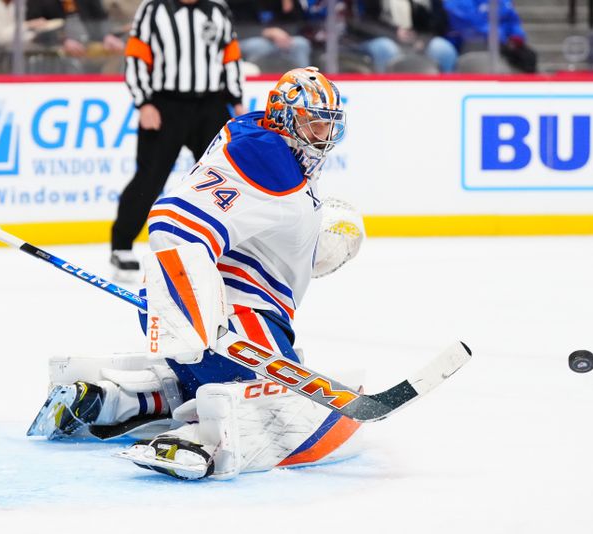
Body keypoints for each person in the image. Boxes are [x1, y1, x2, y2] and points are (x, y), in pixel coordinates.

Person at [28, 67, 367, 481]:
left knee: (205, 381)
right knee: (271, 400)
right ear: (283, 118)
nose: (322, 137)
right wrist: (191, 311)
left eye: (327, 126)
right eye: (313, 123)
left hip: (203, 314)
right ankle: (199, 437)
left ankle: (114, 400)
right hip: (228, 319)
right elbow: (172, 222)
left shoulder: (274, 156)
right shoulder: (267, 160)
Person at [110, 0, 244, 275]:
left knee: (221, 177)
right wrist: (144, 102)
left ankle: (228, 247)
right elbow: (136, 56)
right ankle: (121, 245)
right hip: (164, 105)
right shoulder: (153, 8)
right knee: (150, 177)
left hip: (210, 105)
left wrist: (237, 100)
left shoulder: (217, 9)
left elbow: (230, 57)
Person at [351, 0, 458, 73]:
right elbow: (361, 23)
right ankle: (385, 93)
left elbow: (438, 24)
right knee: (386, 47)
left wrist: (422, 40)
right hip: (372, 38)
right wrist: (395, 34)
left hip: (413, 39)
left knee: (442, 49)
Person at [443, 0, 536, 73]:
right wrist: (501, 37)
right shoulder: (458, 2)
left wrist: (516, 37)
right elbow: (472, 25)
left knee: (528, 57)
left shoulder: (502, 2)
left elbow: (512, 21)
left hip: (501, 45)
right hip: (470, 46)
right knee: (497, 68)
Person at [228, 0, 311, 72]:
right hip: (248, 38)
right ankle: (256, 81)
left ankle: (303, 83)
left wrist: (288, 7)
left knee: (301, 44)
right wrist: (267, 32)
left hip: (282, 38)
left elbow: (300, 24)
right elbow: (237, 28)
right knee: (259, 46)